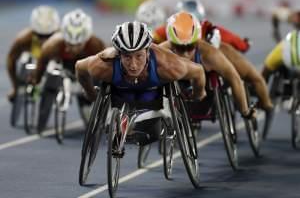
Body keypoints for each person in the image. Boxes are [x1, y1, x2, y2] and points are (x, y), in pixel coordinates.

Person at [75, 21, 207, 144]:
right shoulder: (102, 65)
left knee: (151, 134)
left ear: (148, 53)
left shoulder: (168, 65)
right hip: (121, 92)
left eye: (139, 56)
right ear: (119, 54)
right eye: (127, 56)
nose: (133, 65)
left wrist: (198, 93)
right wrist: (90, 92)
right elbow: (79, 67)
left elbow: (198, 71)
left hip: (153, 94)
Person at [160, 11, 255, 118]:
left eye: (190, 47)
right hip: (177, 82)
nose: (185, 54)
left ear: (197, 41)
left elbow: (235, 79)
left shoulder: (209, 53)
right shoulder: (162, 50)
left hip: (204, 93)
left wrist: (245, 111)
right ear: (171, 43)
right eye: (180, 48)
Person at [33, 9, 106, 132]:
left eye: (78, 45)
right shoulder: (52, 45)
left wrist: (96, 93)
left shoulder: (96, 44)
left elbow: (105, 69)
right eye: (70, 44)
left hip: (86, 73)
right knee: (49, 78)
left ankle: (87, 104)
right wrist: (37, 79)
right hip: (63, 66)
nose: (73, 48)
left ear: (86, 40)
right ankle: (42, 117)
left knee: (90, 118)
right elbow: (41, 64)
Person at [6, 5, 60, 101]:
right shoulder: (23, 39)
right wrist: (15, 86)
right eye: (40, 35)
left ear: (55, 31)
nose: (44, 41)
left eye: (49, 35)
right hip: (35, 58)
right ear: (33, 31)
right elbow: (11, 60)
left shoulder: (62, 39)